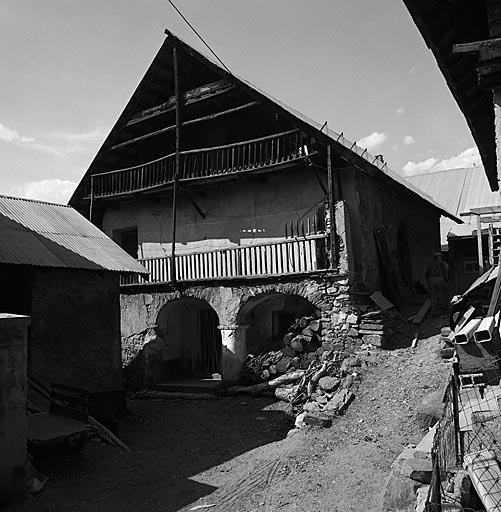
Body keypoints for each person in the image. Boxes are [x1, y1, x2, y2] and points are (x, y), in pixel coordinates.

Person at [425, 252, 450, 316]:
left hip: (431, 280)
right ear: (439, 257)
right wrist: (447, 281)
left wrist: (428, 283)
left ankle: (433, 312)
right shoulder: (442, 263)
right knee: (446, 292)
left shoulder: (429, 264)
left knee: (433, 296)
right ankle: (446, 308)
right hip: (440, 278)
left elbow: (426, 274)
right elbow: (446, 271)